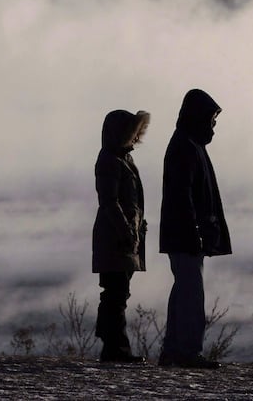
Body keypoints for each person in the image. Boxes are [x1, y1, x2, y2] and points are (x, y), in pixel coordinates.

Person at [158, 89, 231, 369]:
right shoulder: (185, 146)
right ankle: (186, 351)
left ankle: (175, 350)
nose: (213, 126)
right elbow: (182, 196)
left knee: (184, 292)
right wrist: (196, 232)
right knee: (191, 295)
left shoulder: (189, 144)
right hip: (185, 235)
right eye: (211, 119)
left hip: (185, 235)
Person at [92, 109, 151, 363]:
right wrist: (127, 231)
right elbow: (110, 202)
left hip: (124, 238)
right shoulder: (110, 160)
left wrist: (136, 229)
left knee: (118, 292)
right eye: (132, 133)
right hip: (115, 238)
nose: (136, 138)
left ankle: (113, 345)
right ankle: (115, 348)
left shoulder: (122, 159)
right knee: (115, 293)